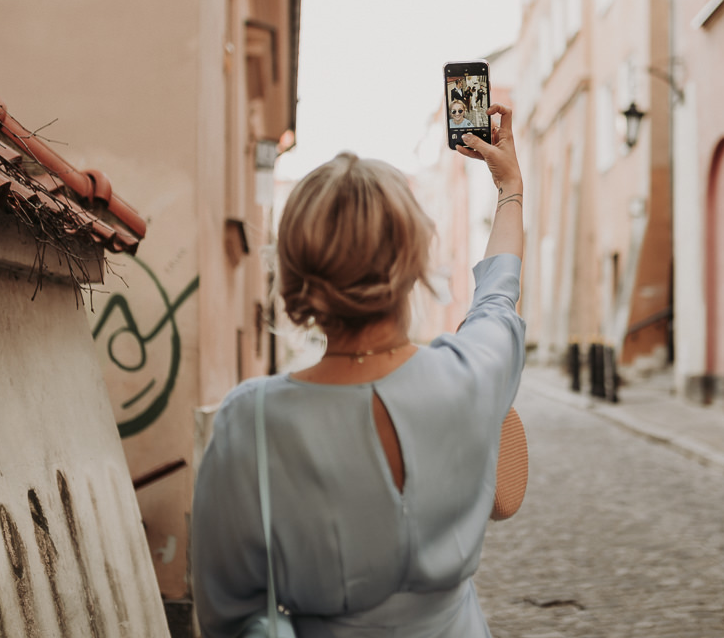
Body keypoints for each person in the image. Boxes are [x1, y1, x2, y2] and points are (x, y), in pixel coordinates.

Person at [192, 105, 525, 638]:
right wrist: (509, 187)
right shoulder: (472, 372)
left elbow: (227, 615)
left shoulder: (249, 419)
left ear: (298, 272)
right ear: (412, 263)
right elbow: (497, 298)